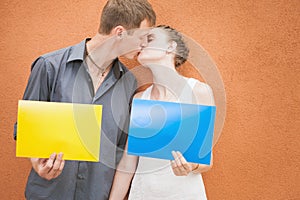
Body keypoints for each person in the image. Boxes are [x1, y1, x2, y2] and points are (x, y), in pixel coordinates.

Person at [13, 0, 156, 199]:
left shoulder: (129, 83)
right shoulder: (49, 66)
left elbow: (122, 148)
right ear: (120, 32)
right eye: (142, 37)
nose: (145, 44)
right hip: (49, 193)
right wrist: (38, 164)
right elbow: (25, 129)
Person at [109, 25, 215, 200]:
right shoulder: (140, 99)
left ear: (170, 47)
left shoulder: (198, 91)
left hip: (184, 193)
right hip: (143, 194)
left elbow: (206, 161)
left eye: (149, 39)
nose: (141, 44)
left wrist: (190, 166)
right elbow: (128, 162)